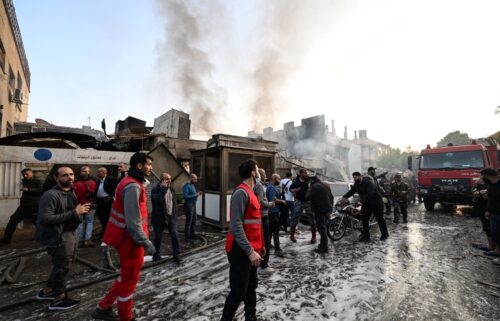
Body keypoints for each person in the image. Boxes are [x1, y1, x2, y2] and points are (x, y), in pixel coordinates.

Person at [92, 152, 156, 321]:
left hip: (126, 239)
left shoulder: (130, 182)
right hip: (131, 242)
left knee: (125, 276)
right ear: (139, 166)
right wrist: (147, 243)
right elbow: (133, 223)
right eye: (148, 164)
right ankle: (125, 317)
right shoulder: (132, 186)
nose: (151, 168)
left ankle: (103, 307)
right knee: (129, 283)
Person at [35, 166, 90, 310]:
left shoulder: (71, 191)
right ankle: (59, 299)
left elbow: (71, 213)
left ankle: (48, 291)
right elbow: (45, 218)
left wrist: (80, 212)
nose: (69, 177)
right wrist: (74, 212)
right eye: (65, 175)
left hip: (70, 233)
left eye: (71, 174)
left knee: (63, 264)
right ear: (56, 178)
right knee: (62, 267)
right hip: (58, 236)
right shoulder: (50, 195)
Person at [220, 159, 264, 321]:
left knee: (251, 286)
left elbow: (256, 224)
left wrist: (261, 247)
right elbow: (236, 226)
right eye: (257, 169)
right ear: (253, 172)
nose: (259, 172)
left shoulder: (252, 192)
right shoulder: (241, 193)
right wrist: (250, 251)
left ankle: (250, 316)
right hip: (240, 250)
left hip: (252, 249)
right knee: (239, 291)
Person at [342, 171, 389, 242]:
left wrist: (361, 201)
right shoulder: (357, 184)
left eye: (356, 177)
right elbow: (352, 191)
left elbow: (370, 194)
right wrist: (344, 197)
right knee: (364, 219)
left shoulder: (369, 183)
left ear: (360, 176)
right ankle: (366, 237)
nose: (355, 179)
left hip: (376, 203)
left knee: (379, 219)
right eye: (354, 177)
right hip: (366, 203)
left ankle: (385, 235)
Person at [1, 168, 42, 244]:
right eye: (24, 174)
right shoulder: (24, 181)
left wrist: (29, 190)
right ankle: (6, 239)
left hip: (34, 206)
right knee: (13, 219)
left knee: (38, 222)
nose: (25, 176)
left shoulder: (38, 180)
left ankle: (40, 238)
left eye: (27, 174)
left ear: (31, 173)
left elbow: (41, 190)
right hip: (24, 206)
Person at [151, 172, 182, 263]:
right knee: (158, 237)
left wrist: (174, 214)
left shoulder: (172, 189)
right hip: (159, 218)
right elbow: (159, 201)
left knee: (175, 235)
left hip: (171, 216)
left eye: (170, 178)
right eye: (167, 179)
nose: (170, 180)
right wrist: (163, 189)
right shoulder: (155, 190)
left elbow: (174, 202)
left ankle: (177, 254)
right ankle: (156, 255)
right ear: (162, 180)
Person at [306, 176, 334, 253]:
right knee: (324, 228)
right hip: (328, 209)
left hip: (319, 210)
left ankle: (324, 248)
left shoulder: (314, 186)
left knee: (322, 229)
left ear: (312, 181)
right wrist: (331, 206)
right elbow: (331, 197)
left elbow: (307, 197)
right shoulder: (326, 184)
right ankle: (322, 245)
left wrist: (309, 188)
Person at [254, 168, 275, 269]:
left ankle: (261, 261)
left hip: (261, 216)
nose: (265, 175)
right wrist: (271, 204)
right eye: (263, 173)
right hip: (263, 216)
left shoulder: (259, 184)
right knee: (265, 240)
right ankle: (264, 263)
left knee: (263, 240)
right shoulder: (259, 185)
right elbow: (261, 202)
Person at [73, 166, 98, 247]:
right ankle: (87, 240)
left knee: (79, 222)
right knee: (89, 222)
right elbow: (95, 193)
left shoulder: (75, 184)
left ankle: (80, 241)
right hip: (90, 205)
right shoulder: (93, 183)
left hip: (79, 206)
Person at [289, 169, 316, 244]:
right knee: (295, 216)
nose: (306, 174)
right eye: (305, 173)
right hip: (299, 200)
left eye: (307, 173)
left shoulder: (309, 180)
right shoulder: (295, 181)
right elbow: (290, 189)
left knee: (311, 216)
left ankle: (314, 236)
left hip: (308, 201)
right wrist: (294, 190)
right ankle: (292, 236)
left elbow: (315, 185)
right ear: (301, 174)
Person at [480, 168, 500, 259]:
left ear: (488, 175)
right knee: (495, 233)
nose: (482, 178)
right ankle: (497, 250)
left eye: (483, 176)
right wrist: (488, 211)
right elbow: (490, 200)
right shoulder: (491, 185)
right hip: (493, 213)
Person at [471, 177, 494, 252]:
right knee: (486, 227)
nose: (479, 179)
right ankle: (491, 246)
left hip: (488, 209)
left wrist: (480, 193)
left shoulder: (491, 185)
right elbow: (474, 192)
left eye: (482, 177)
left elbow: (485, 195)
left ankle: (493, 247)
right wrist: (479, 192)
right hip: (481, 209)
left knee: (490, 228)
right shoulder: (478, 185)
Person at [266, 174, 286, 257]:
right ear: (274, 179)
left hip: (271, 212)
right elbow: (273, 200)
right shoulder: (271, 188)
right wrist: (282, 201)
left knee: (270, 230)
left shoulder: (271, 187)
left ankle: (268, 245)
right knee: (275, 230)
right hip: (273, 212)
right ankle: (277, 249)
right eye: (279, 179)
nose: (280, 181)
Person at [95, 167, 117, 233]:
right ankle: (104, 229)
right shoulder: (99, 180)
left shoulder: (111, 179)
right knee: (99, 215)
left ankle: (108, 231)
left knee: (106, 216)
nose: (97, 173)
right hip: (99, 201)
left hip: (107, 201)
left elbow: (116, 189)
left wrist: (112, 197)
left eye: (99, 172)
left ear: (104, 172)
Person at [182, 173, 202, 242]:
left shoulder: (192, 185)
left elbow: (193, 193)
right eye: (195, 179)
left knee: (194, 220)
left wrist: (197, 193)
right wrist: (195, 195)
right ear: (191, 178)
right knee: (189, 221)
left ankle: (192, 235)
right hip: (188, 205)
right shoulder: (186, 186)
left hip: (193, 205)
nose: (196, 180)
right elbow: (185, 196)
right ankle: (187, 238)